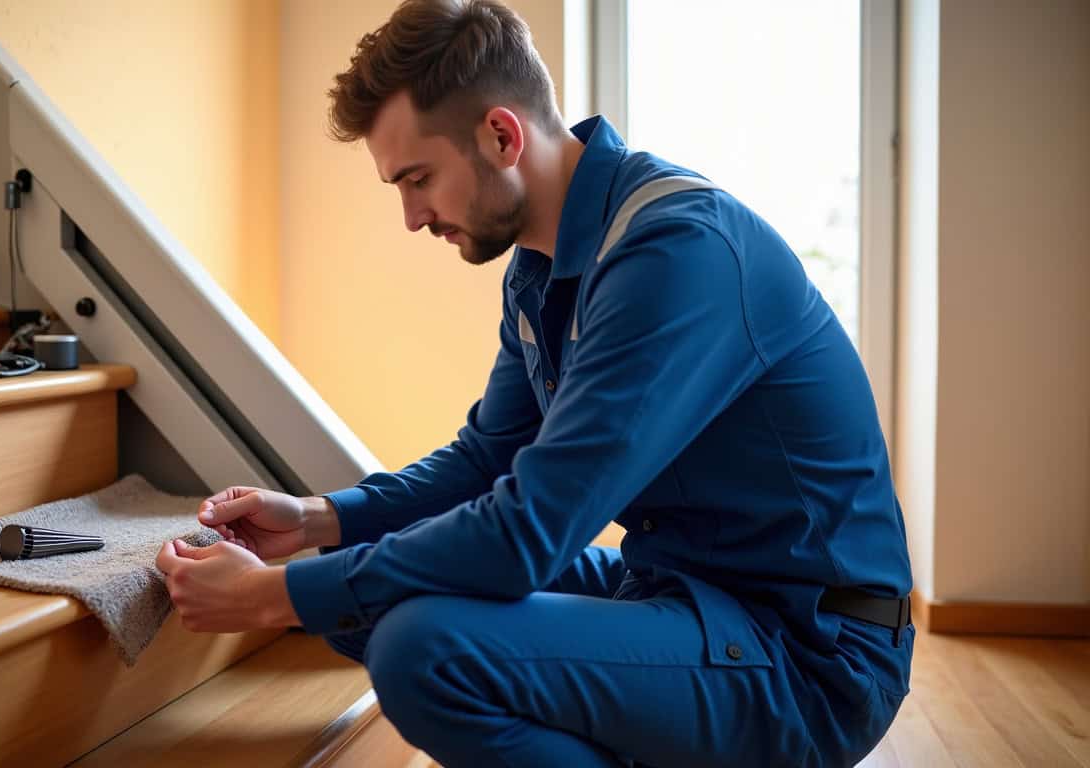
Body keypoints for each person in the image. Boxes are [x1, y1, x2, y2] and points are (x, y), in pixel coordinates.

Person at [154, 1, 914, 765]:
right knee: (367, 595)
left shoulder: (676, 252)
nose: (412, 217)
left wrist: (271, 596)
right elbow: (484, 460)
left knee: (422, 648)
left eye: (418, 179)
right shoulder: (538, 267)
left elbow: (529, 531)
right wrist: (315, 520)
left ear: (501, 135)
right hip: (680, 584)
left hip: (806, 650)